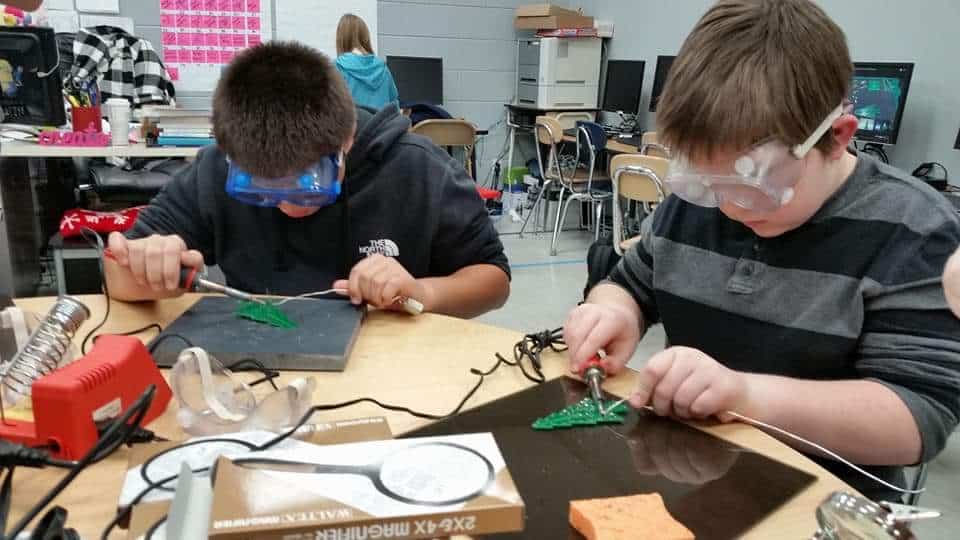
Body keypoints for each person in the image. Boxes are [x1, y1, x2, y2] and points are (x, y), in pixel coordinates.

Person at [563, 0, 960, 500]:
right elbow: (630, 286)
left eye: (752, 186)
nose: (726, 207)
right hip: (689, 481)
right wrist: (611, 311)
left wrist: (746, 396)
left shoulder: (915, 230)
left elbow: (916, 420)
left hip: (823, 502)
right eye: (706, 183)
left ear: (836, 138)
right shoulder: (699, 206)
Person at [104, 41, 509, 319]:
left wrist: (423, 292)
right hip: (262, 362)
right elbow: (116, 277)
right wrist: (151, 272)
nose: (289, 207)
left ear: (347, 137)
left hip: (394, 365)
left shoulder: (420, 171)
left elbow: (493, 279)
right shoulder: (214, 168)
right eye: (263, 189)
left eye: (309, 182)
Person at [334, 13, 399, 110]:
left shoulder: (337, 68)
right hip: (382, 125)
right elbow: (394, 106)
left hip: (353, 124)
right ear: (365, 36)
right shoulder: (382, 68)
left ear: (341, 39)